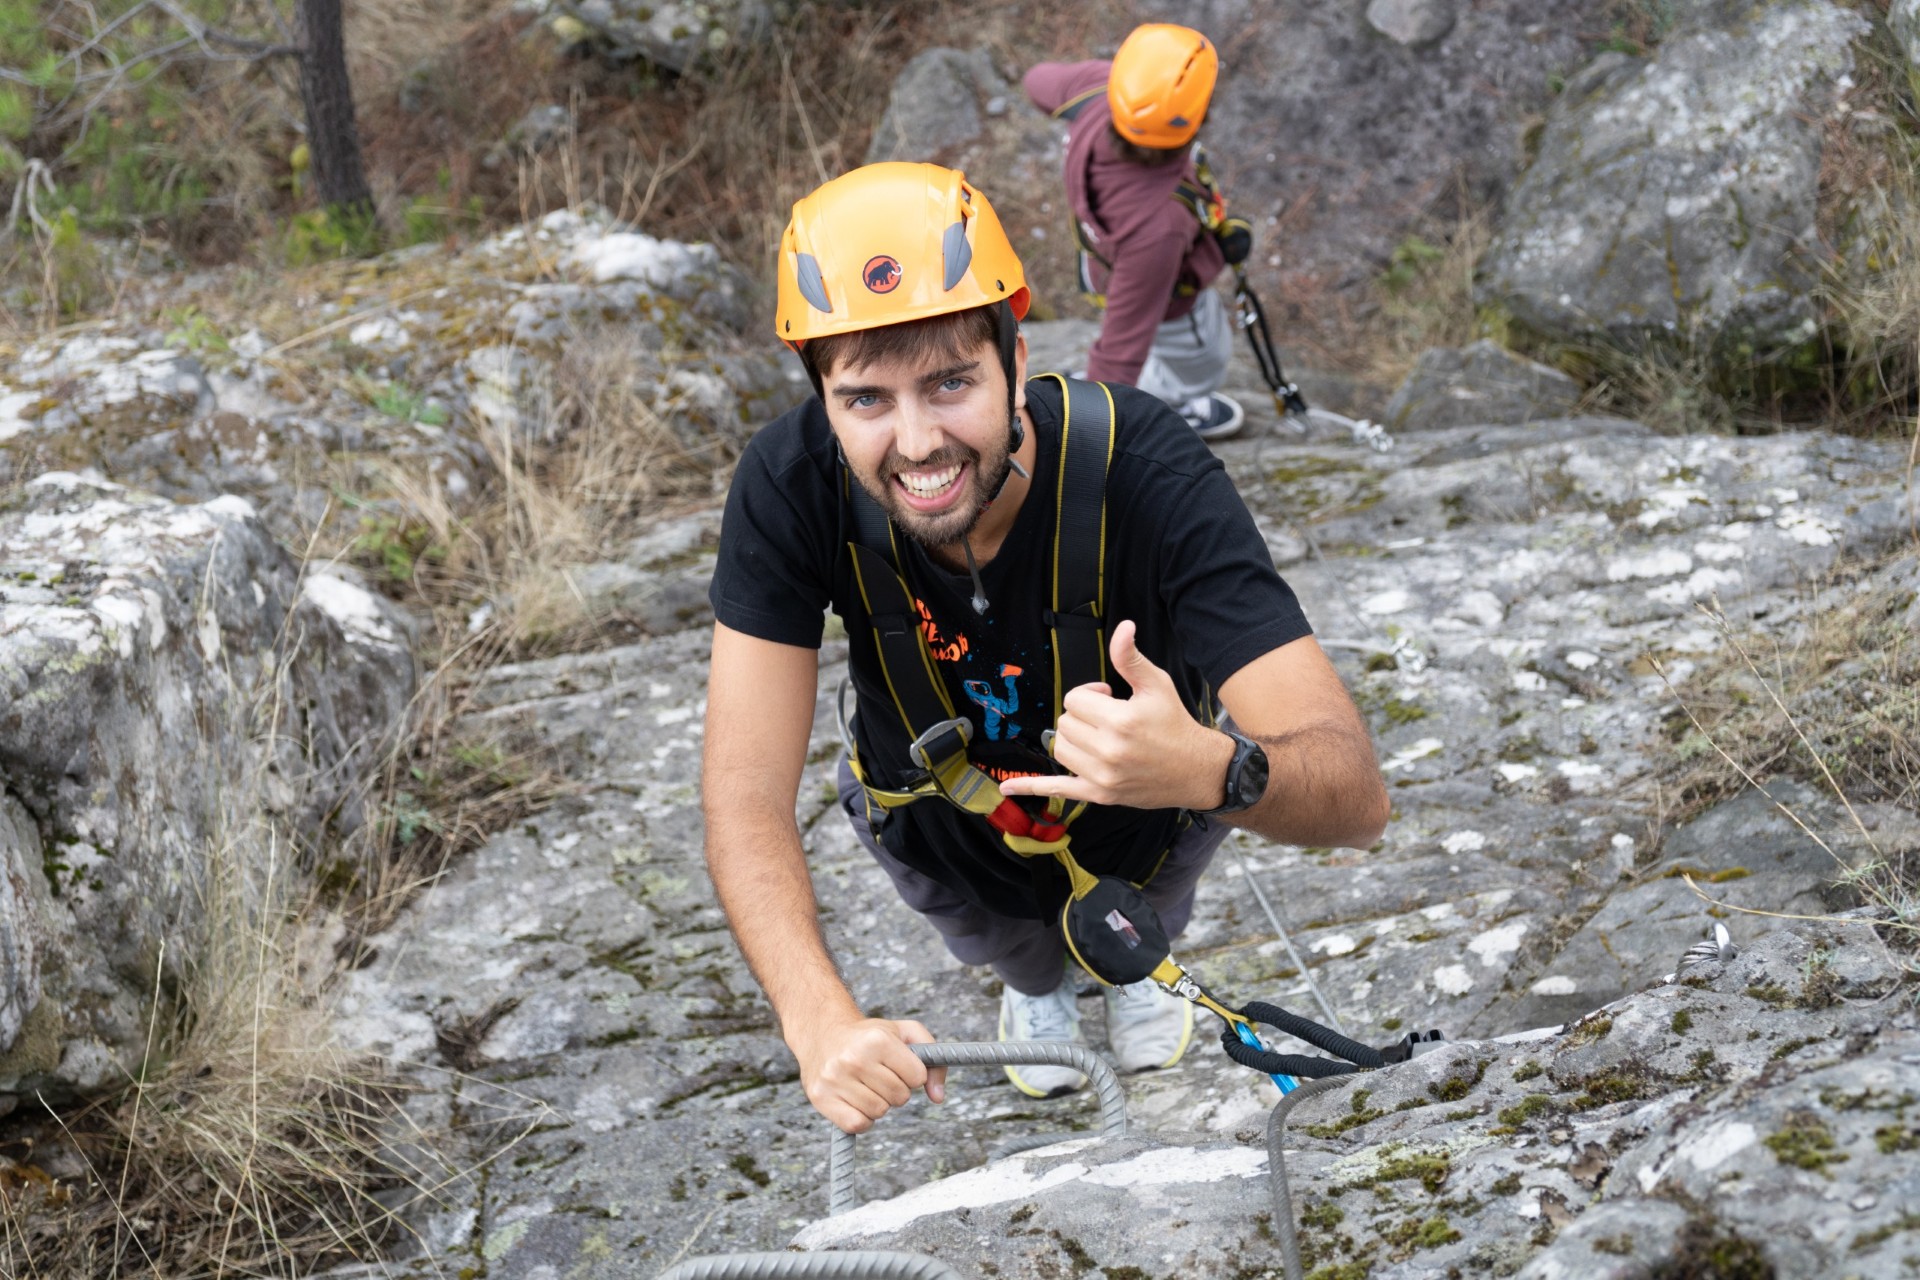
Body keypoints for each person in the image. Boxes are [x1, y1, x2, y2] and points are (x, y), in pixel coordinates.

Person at [701, 161, 1387, 1135]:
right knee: (1014, 947)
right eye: (866, 400)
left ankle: (1135, 964)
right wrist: (817, 1015)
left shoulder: (1146, 472)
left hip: (1147, 821)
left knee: (1149, 910)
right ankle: (1036, 984)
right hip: (946, 829)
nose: (918, 443)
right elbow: (743, 794)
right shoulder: (790, 487)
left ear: (1017, 361)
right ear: (821, 398)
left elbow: (1356, 795)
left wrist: (1211, 765)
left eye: (950, 381)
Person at [1024, 23, 1246, 440]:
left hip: (1105, 262)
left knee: (1127, 320)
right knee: (1200, 366)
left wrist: (1127, 84)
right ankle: (1177, 401)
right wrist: (1091, 423)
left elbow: (1036, 80)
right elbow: (1119, 354)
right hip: (1170, 304)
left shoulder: (1094, 92)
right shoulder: (1159, 226)